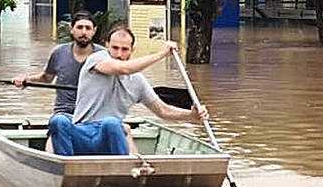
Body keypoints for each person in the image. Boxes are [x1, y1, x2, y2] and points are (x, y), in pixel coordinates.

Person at [48, 27, 208, 156]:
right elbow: (123, 69)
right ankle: (67, 167)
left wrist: (192, 115)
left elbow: (163, 110)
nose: (119, 54)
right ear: (106, 46)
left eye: (125, 49)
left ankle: (123, 172)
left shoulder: (137, 81)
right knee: (59, 121)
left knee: (111, 123)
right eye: (115, 48)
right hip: (82, 133)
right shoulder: (96, 59)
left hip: (109, 136)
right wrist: (161, 54)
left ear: (132, 50)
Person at [11, 12, 103, 116]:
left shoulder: (103, 55)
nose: (84, 32)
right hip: (64, 111)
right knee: (58, 121)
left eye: (88, 28)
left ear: (94, 30)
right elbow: (47, 78)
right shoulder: (59, 52)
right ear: (71, 29)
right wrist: (26, 80)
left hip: (93, 112)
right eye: (80, 27)